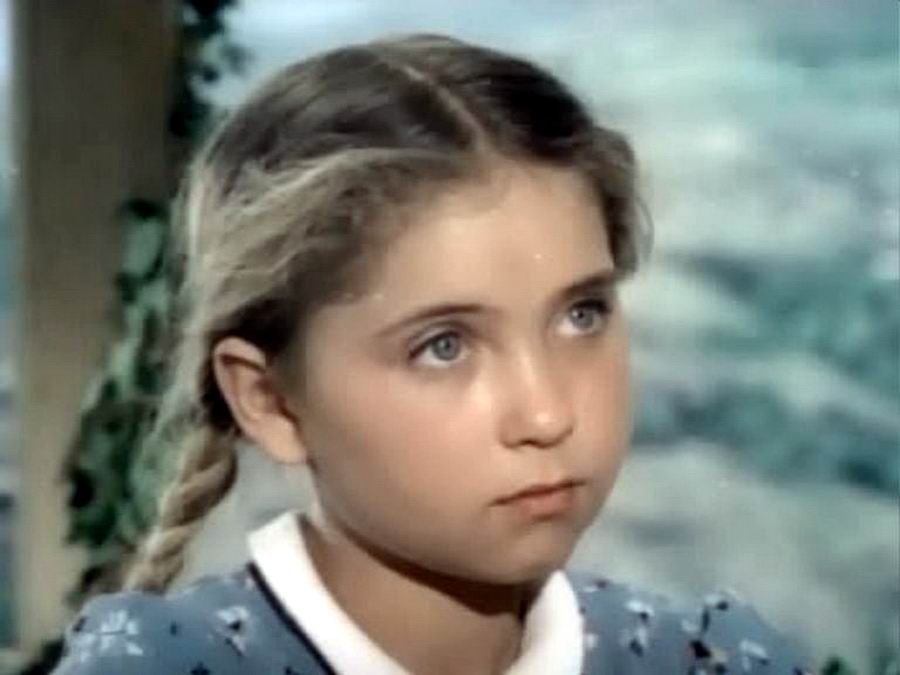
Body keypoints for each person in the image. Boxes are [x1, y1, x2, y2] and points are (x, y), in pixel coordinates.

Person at [51, 32, 814, 675]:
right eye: (443, 345)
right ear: (271, 401)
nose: (547, 414)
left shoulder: (708, 661)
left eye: (581, 314)